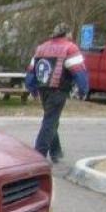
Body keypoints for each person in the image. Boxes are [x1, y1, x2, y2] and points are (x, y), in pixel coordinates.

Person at [25, 24, 89, 163]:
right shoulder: (69, 47)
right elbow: (79, 71)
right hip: (58, 89)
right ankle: (38, 156)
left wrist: (31, 87)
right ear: (67, 34)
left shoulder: (41, 48)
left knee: (51, 119)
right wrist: (83, 90)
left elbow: (32, 69)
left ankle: (56, 152)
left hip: (43, 88)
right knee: (50, 121)